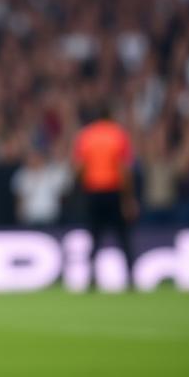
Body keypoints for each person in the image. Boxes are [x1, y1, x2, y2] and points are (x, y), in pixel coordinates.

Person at [72, 103, 137, 284]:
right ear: (110, 116)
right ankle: (130, 278)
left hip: (93, 192)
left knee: (94, 236)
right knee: (122, 236)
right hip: (114, 191)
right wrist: (128, 198)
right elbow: (124, 169)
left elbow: (79, 168)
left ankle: (91, 278)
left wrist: (79, 188)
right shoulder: (118, 135)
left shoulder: (86, 136)